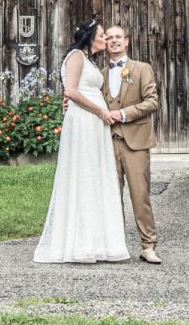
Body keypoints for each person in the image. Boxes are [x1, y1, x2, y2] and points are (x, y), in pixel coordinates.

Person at [32, 19, 130, 263]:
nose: (106, 39)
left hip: (93, 124)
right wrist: (100, 112)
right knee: (82, 173)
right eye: (103, 35)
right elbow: (72, 92)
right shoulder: (76, 56)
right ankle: (78, 243)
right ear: (90, 37)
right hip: (84, 122)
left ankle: (95, 241)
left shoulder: (89, 61)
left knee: (93, 176)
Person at [101, 25, 162, 264]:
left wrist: (124, 114)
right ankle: (114, 246)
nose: (114, 41)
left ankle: (148, 246)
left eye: (118, 37)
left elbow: (152, 101)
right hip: (107, 144)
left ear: (126, 41)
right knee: (111, 197)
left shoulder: (141, 69)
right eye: (109, 38)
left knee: (140, 195)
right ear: (105, 43)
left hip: (135, 143)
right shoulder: (101, 73)